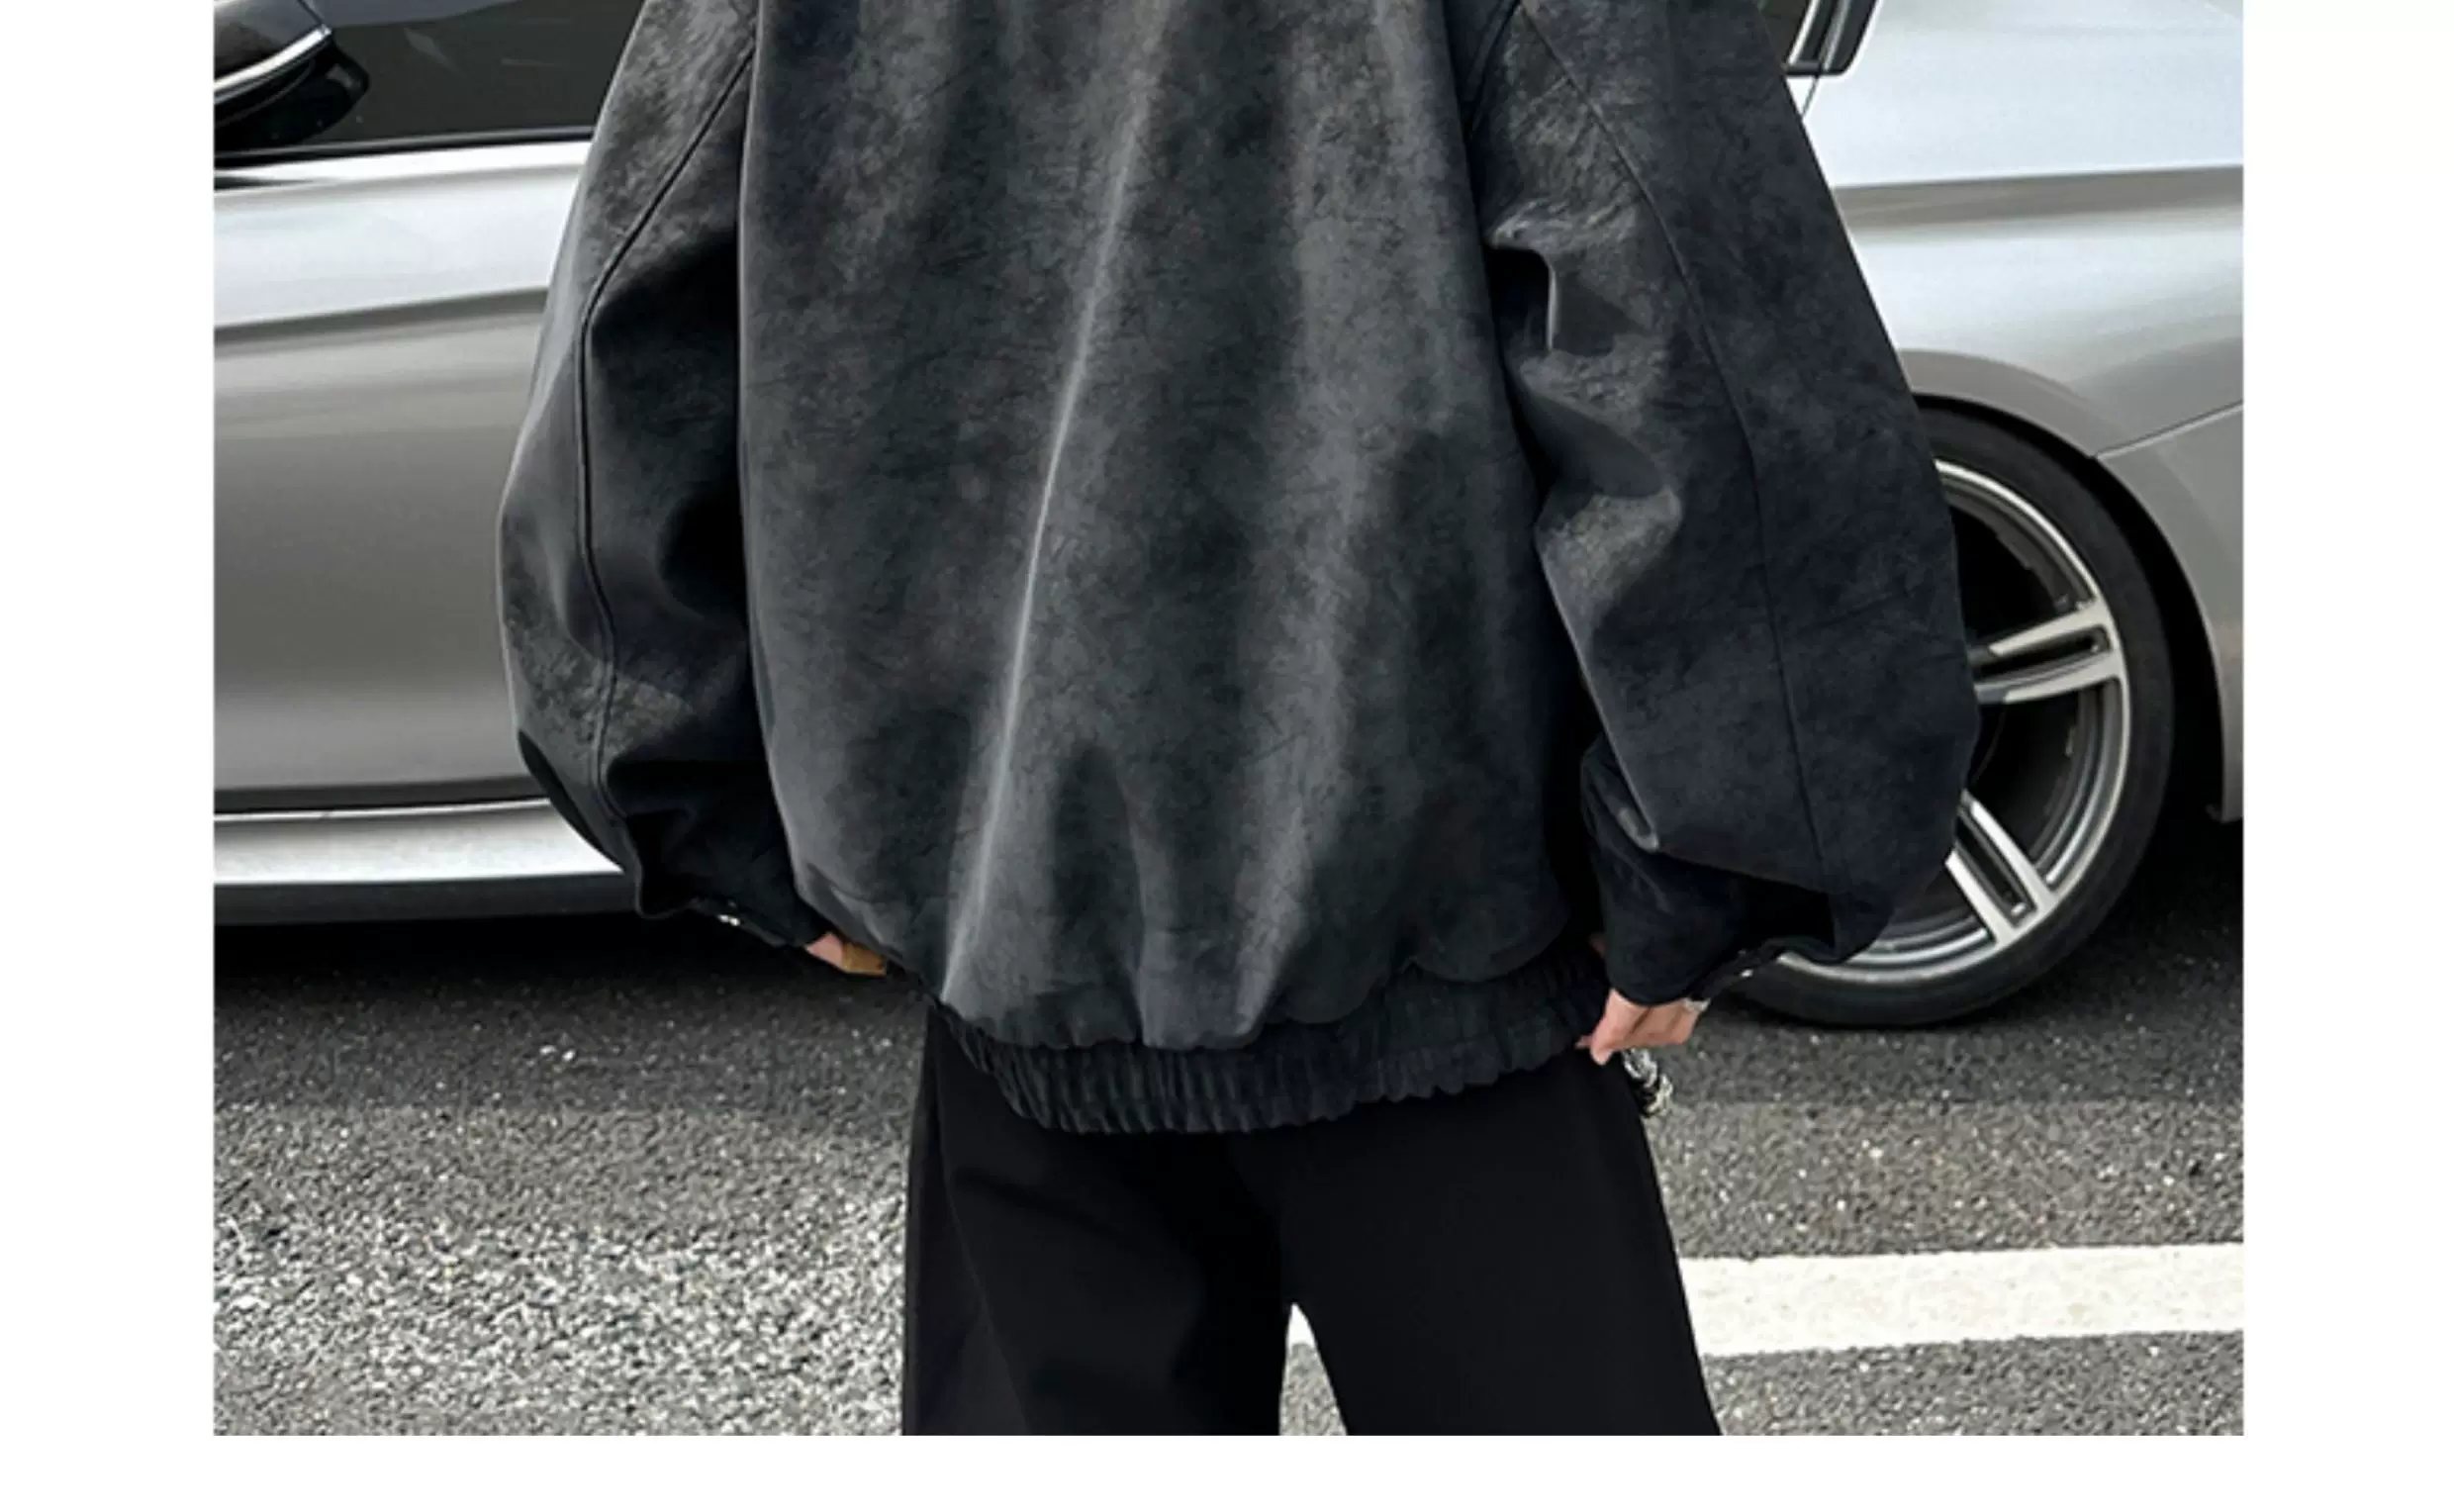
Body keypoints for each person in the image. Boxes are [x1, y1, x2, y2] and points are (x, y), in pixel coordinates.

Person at [497, 0, 1979, 1435]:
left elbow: (631, 336)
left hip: (1028, 962)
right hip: (1439, 952)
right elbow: (1695, 354)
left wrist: (706, 810)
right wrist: (1715, 858)